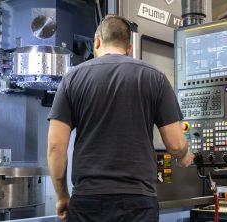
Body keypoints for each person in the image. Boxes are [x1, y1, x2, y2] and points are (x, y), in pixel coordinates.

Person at [47, 15, 194, 222]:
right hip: (138, 203)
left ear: (97, 41)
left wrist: (62, 195)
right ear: (129, 48)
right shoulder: (155, 78)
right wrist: (184, 154)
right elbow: (176, 143)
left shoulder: (72, 79)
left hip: (88, 201)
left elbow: (55, 147)